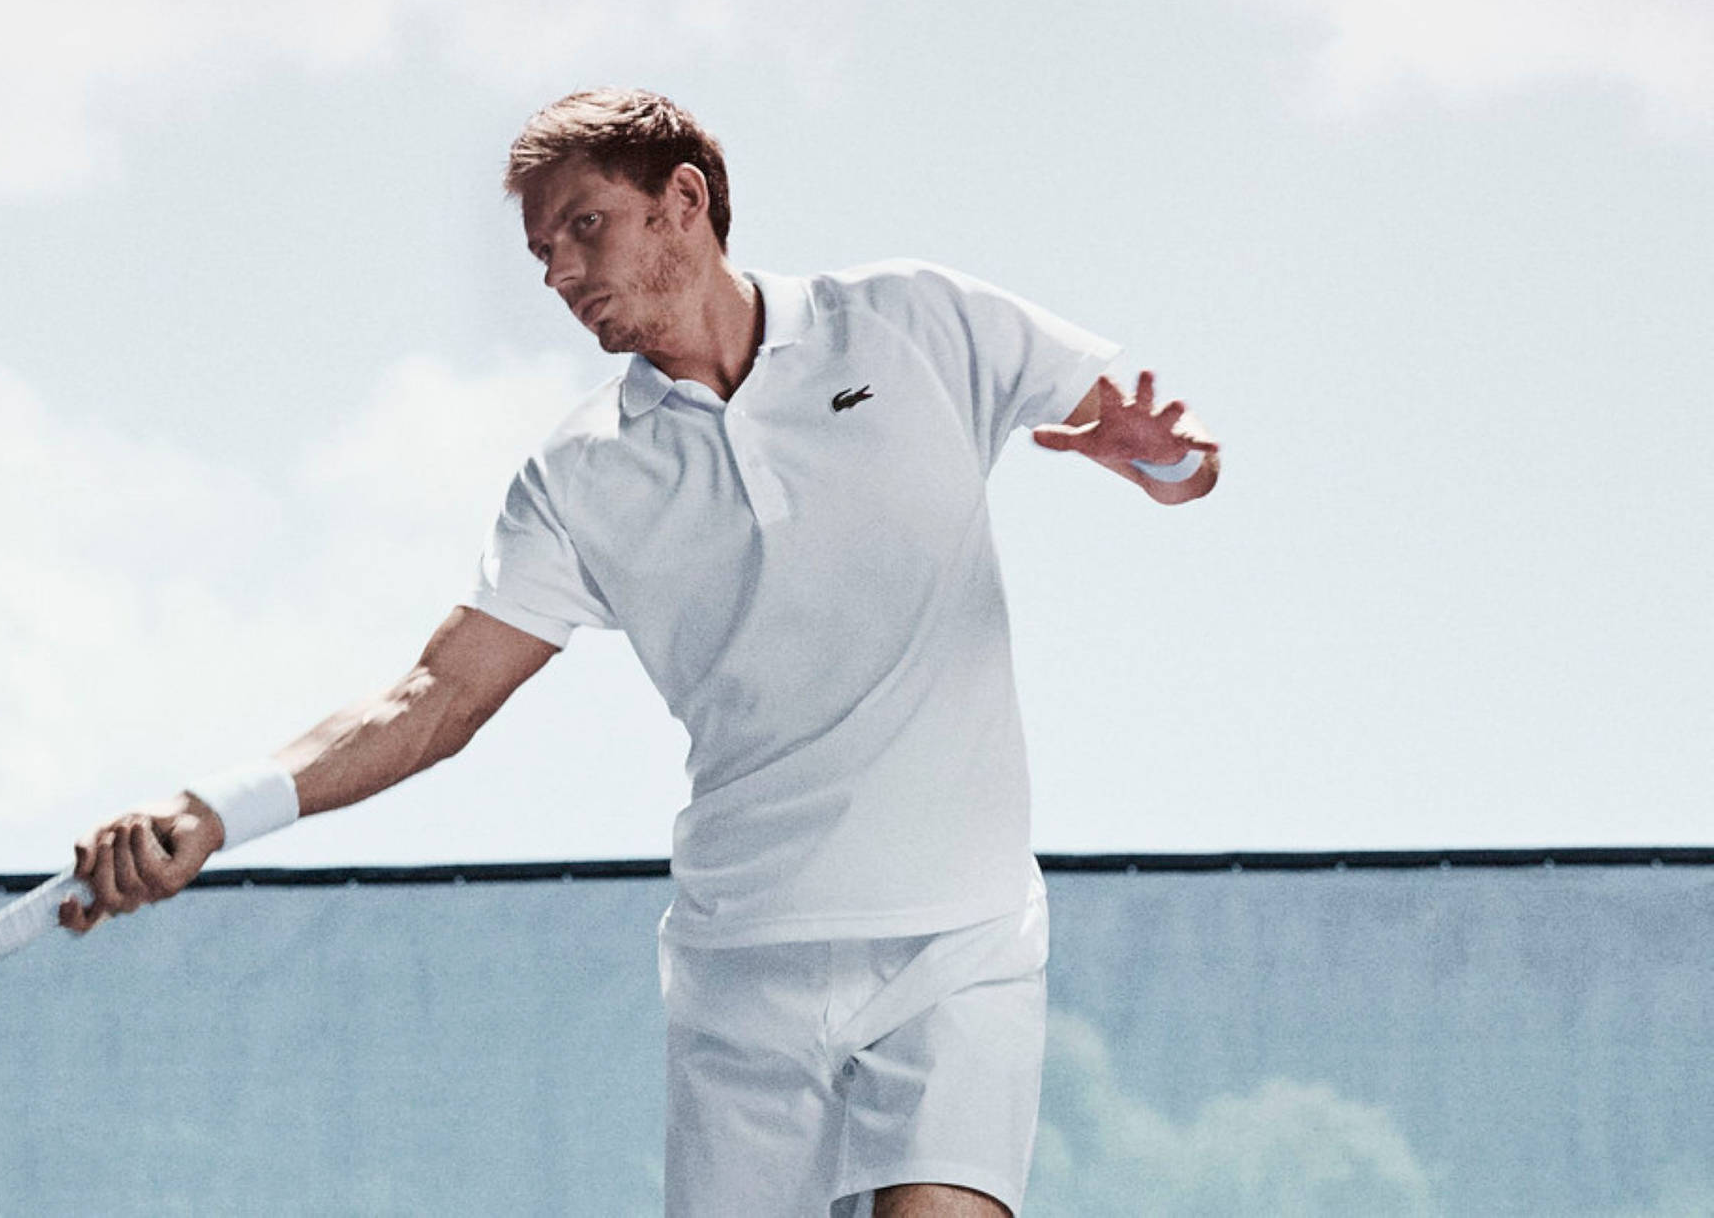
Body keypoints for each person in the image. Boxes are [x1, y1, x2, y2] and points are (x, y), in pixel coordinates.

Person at [62, 88, 1219, 1217]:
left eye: (583, 228)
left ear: (683, 200)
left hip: (959, 944)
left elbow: (1184, 460)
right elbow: (435, 698)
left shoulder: (921, 321)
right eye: (541, 253)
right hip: (741, 975)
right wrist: (219, 808)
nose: (561, 274)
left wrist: (1161, 463)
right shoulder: (577, 478)